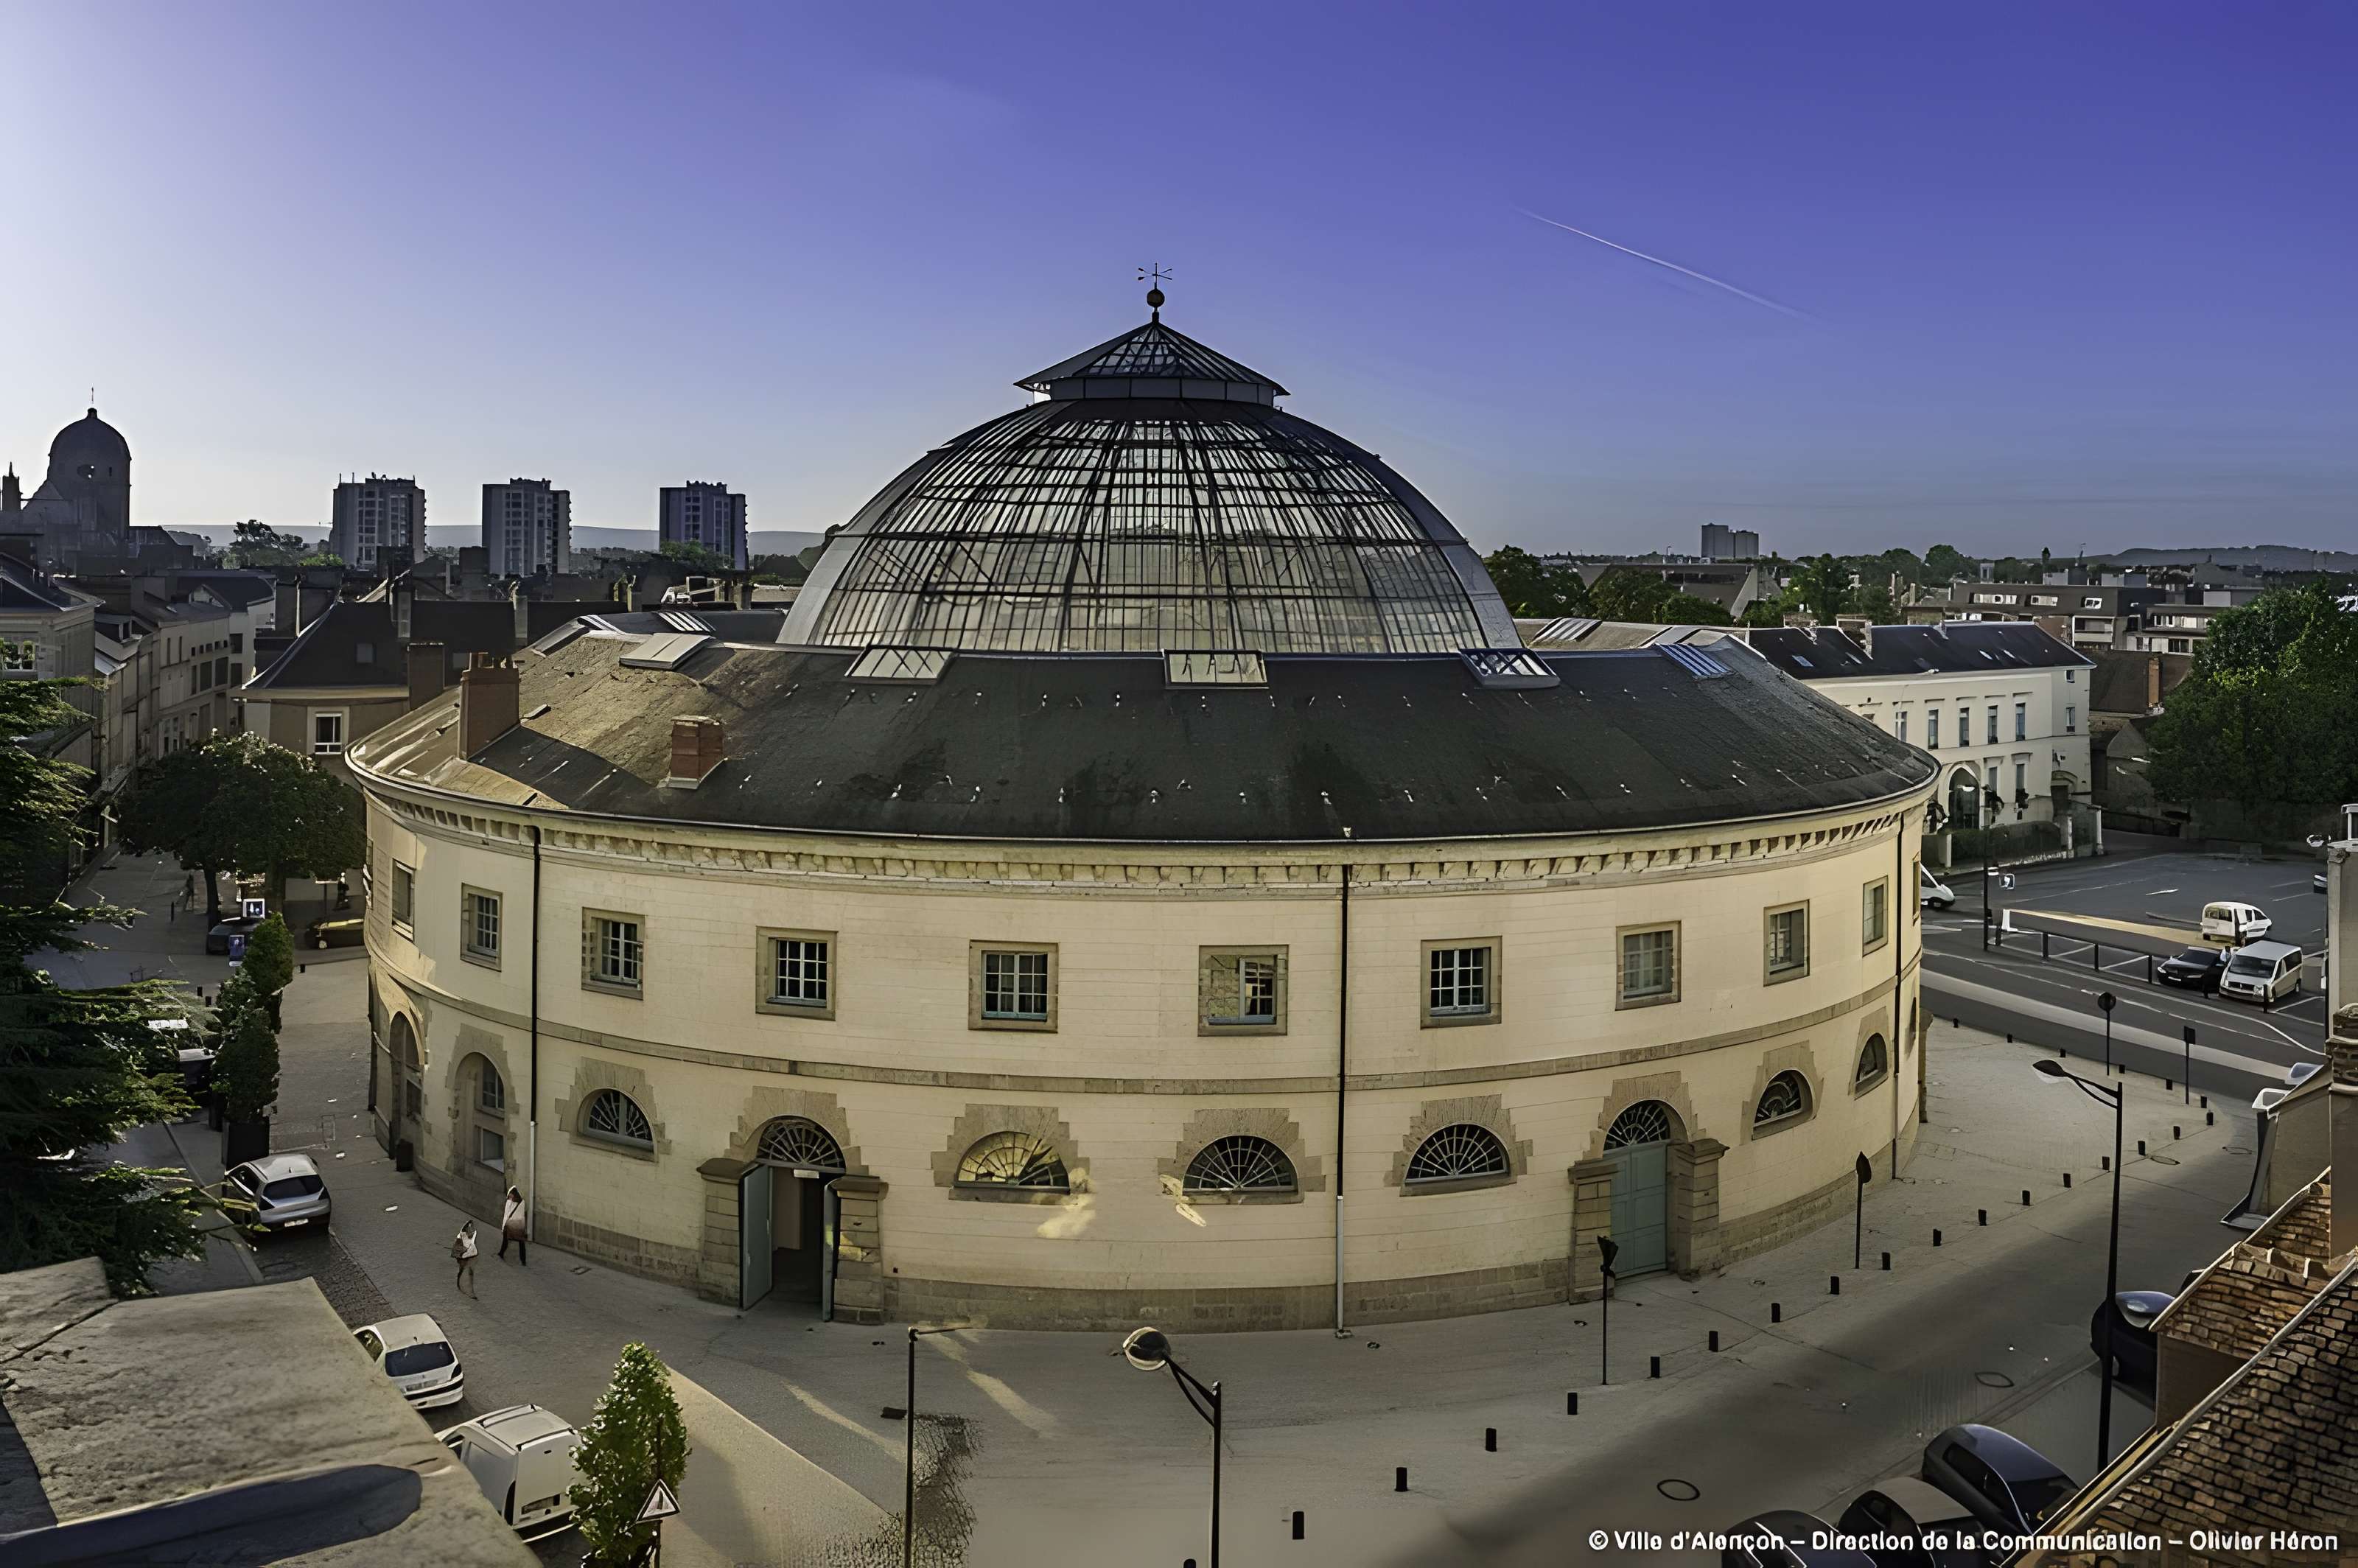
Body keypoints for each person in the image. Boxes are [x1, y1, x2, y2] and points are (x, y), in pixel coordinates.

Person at [498, 1187, 528, 1266]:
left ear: (515, 1195)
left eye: (512, 1195)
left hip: (517, 1225)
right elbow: (506, 1214)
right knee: (505, 1240)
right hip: (509, 1225)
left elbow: (520, 1215)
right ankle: (501, 1253)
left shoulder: (521, 1203)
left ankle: (523, 1260)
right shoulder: (509, 1202)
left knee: (521, 1243)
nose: (510, 1197)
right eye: (510, 1195)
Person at [451, 1221, 478, 1296]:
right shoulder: (462, 1236)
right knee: (463, 1269)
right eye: (469, 1228)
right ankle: (461, 1284)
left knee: (469, 1270)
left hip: (466, 1255)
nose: (470, 1230)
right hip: (462, 1255)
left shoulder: (470, 1235)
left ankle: (468, 1288)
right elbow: (457, 1249)